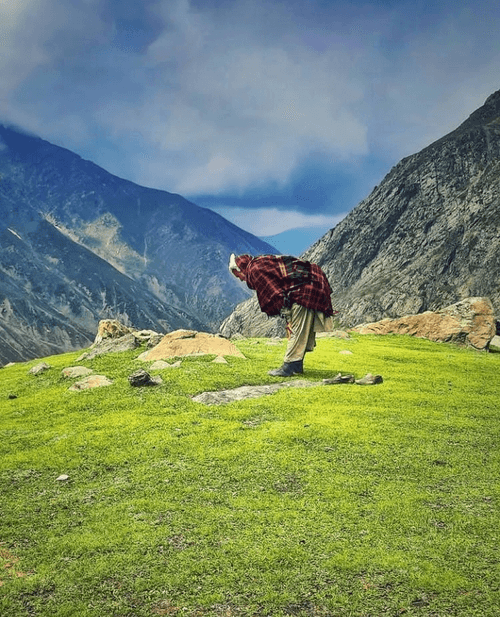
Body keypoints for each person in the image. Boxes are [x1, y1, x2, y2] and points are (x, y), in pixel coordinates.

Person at [229, 253, 335, 376]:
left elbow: (276, 295)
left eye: (239, 276)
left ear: (242, 269)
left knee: (296, 330)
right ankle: (297, 366)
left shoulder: (254, 271)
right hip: (312, 282)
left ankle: (289, 367)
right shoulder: (258, 263)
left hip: (305, 289)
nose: (241, 279)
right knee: (300, 329)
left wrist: (288, 317)